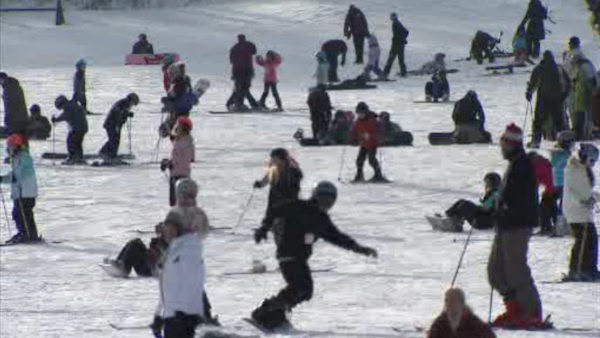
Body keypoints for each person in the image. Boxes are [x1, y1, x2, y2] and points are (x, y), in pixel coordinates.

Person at [251, 181, 378, 330]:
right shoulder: (300, 207)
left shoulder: (321, 219)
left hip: (298, 257)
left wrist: (360, 249)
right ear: (316, 196)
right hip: (289, 253)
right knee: (301, 287)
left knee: (304, 289)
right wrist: (264, 228)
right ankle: (267, 313)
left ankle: (272, 311)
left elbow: (337, 237)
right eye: (324, 198)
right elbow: (276, 209)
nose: (328, 202)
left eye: (331, 200)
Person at [488, 123, 543, 328]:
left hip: (517, 225)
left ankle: (531, 312)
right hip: (506, 224)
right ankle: (514, 309)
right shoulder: (515, 163)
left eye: (503, 143)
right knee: (496, 271)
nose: (501, 147)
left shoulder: (522, 165)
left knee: (515, 269)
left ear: (511, 144)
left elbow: (518, 198)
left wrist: (503, 208)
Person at [152, 210, 205, 338]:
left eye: (172, 230)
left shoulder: (188, 252)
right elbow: (166, 290)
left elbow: (195, 284)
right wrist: (158, 315)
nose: (168, 233)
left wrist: (186, 314)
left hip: (186, 319)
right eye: (166, 229)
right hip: (171, 319)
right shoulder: (169, 254)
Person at [563, 143, 599, 281]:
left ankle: (589, 269)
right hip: (576, 212)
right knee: (583, 240)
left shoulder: (583, 170)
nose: (592, 164)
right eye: (591, 160)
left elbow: (586, 191)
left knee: (591, 239)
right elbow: (571, 191)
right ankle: (578, 270)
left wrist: (594, 197)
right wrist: (583, 201)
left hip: (583, 212)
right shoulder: (573, 169)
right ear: (584, 157)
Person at [526, 50, 570, 148]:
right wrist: (564, 96)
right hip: (557, 99)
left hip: (543, 99)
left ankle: (536, 141)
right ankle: (564, 142)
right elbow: (568, 83)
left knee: (538, 121)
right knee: (559, 122)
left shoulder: (539, 68)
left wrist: (529, 93)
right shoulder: (559, 68)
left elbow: (533, 83)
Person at [0, 133, 39, 244]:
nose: (9, 150)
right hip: (19, 192)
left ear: (17, 146)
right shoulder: (16, 158)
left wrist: (9, 178)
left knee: (23, 214)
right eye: (9, 147)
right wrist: (3, 179)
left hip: (26, 192)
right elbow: (15, 175)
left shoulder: (24, 157)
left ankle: (28, 234)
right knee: (18, 214)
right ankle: (26, 233)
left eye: (11, 147)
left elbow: (19, 175)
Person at [253, 148, 303, 219]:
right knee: (272, 212)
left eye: (275, 159)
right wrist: (260, 184)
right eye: (272, 158)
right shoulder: (274, 169)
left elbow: (297, 180)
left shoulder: (292, 170)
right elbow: (267, 178)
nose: (272, 161)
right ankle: (269, 225)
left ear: (282, 159)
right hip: (274, 195)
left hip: (288, 196)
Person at [427, 288, 496, 338]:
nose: (449, 304)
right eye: (446, 300)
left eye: (452, 300)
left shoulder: (473, 322)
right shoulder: (439, 323)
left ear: (461, 303)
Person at [161, 116, 195, 206]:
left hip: (179, 175)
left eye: (178, 126)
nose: (176, 128)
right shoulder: (183, 140)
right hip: (178, 174)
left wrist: (169, 163)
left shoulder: (183, 142)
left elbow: (181, 159)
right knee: (175, 202)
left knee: (176, 202)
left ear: (184, 129)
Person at [99, 93, 139, 161]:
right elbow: (118, 113)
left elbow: (122, 112)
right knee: (114, 139)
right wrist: (117, 125)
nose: (133, 105)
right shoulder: (123, 103)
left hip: (115, 124)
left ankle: (109, 153)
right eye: (133, 103)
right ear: (131, 100)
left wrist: (128, 114)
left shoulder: (125, 103)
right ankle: (106, 153)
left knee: (115, 140)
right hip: (112, 124)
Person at [550, 131, 576, 236]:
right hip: (565, 183)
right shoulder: (567, 155)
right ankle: (562, 227)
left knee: (562, 204)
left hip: (556, 183)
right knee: (564, 205)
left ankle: (560, 225)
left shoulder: (556, 154)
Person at [351, 102, 384, 182]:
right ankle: (359, 175)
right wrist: (351, 136)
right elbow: (355, 129)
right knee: (359, 160)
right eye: (358, 113)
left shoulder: (373, 120)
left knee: (371, 159)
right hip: (364, 143)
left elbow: (378, 132)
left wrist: (371, 136)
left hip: (372, 143)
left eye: (361, 113)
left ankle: (378, 175)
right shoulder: (359, 120)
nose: (360, 115)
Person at [52, 95, 89, 164]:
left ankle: (73, 157)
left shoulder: (69, 107)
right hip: (82, 127)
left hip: (76, 128)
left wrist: (56, 119)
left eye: (60, 107)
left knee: (71, 142)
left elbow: (66, 115)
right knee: (78, 143)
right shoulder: (72, 104)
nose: (61, 108)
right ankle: (79, 157)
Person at [569, 53, 597, 141]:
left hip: (583, 97)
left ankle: (583, 135)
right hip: (586, 97)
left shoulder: (583, 68)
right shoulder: (588, 66)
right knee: (588, 117)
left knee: (582, 117)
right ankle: (586, 134)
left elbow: (588, 82)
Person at [227, 34, 258, 111]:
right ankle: (239, 104)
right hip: (247, 70)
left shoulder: (234, 48)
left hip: (238, 71)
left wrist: (233, 73)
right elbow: (254, 51)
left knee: (240, 88)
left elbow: (231, 61)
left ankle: (234, 103)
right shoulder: (249, 45)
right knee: (244, 88)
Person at [528, 151, 556, 234]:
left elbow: (548, 178)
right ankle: (551, 226)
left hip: (552, 188)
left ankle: (546, 228)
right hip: (552, 188)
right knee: (550, 208)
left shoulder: (540, 165)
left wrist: (549, 190)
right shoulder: (542, 163)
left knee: (545, 209)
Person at [382, 13, 409, 78]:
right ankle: (403, 73)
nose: (391, 18)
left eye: (391, 17)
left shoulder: (396, 23)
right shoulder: (397, 23)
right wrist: (403, 39)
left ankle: (385, 74)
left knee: (390, 60)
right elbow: (405, 32)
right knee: (401, 60)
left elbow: (405, 32)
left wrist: (399, 39)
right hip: (400, 45)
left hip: (396, 45)